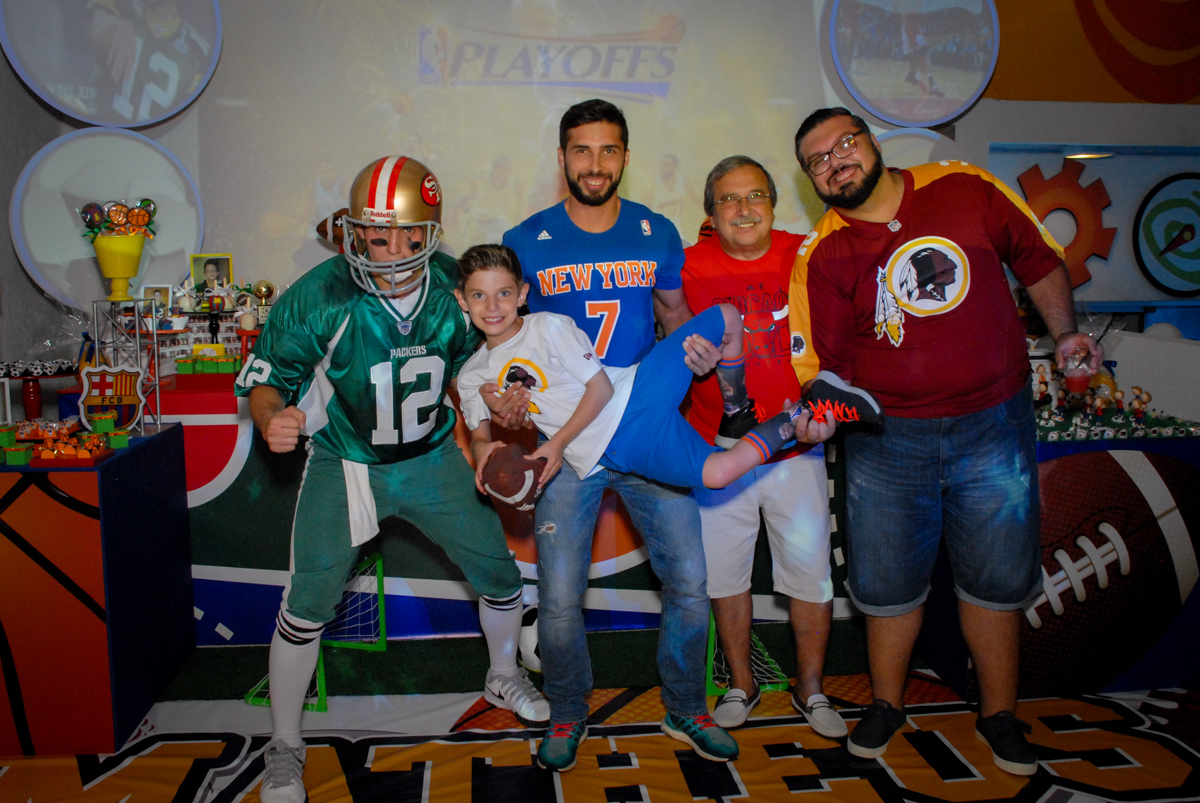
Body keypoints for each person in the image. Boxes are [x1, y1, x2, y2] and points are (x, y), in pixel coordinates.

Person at [790, 107, 1103, 776]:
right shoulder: (823, 254)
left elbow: (1038, 261)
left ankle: (999, 716)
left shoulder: (964, 186)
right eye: (817, 159)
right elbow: (828, 368)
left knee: (995, 577)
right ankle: (885, 705)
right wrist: (820, 410)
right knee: (885, 581)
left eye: (843, 144)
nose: (834, 161)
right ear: (812, 178)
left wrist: (1068, 333)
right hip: (884, 440)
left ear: (870, 142)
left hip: (994, 424)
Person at [234, 156, 548, 803]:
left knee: (498, 570)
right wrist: (273, 419)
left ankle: (500, 672)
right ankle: (286, 743)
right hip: (349, 460)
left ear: (428, 231)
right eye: (376, 235)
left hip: (431, 455)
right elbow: (267, 381)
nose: (390, 250)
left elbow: (486, 367)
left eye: (406, 236)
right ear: (355, 230)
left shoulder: (452, 285)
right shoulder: (322, 292)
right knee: (307, 603)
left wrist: (501, 403)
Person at [493, 98, 737, 773]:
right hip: (568, 439)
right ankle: (569, 708)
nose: (594, 164)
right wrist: (510, 394)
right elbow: (515, 340)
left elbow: (674, 316)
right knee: (562, 596)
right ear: (563, 157)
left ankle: (687, 702)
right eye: (581, 150)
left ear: (624, 156)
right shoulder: (526, 238)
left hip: (646, 424)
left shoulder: (655, 231)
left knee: (689, 579)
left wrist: (697, 353)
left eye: (607, 150)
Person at [455, 245, 845, 495]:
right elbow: (477, 432)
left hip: (637, 387)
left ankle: (738, 412)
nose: (492, 306)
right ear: (462, 300)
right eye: (478, 295)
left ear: (522, 294)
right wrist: (485, 448)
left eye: (503, 293)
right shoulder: (472, 372)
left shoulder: (548, 326)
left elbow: (602, 390)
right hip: (620, 445)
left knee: (726, 316)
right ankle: (798, 415)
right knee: (719, 473)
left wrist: (556, 444)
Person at [681, 156, 843, 737]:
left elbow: (848, 340)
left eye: (755, 196)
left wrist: (832, 412)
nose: (744, 209)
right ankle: (741, 684)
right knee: (726, 578)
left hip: (795, 450)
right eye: (728, 199)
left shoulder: (810, 252)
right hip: (717, 455)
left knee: (809, 576)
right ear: (710, 212)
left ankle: (813, 689)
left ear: (774, 203)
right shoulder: (683, 267)